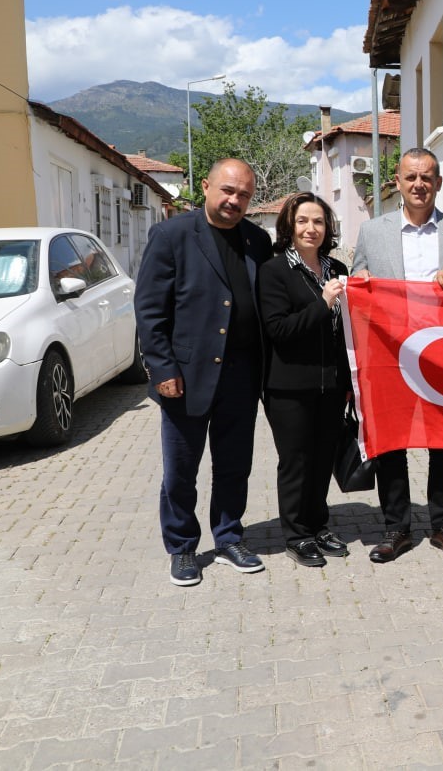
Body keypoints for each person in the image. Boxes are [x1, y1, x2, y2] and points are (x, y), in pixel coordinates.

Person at [135, 158, 271, 586]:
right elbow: (150, 310)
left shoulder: (257, 240)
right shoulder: (172, 235)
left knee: (234, 465)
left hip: (242, 376)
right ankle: (182, 547)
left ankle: (229, 537)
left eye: (244, 195)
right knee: (181, 470)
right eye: (228, 191)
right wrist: (162, 368)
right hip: (185, 376)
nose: (234, 200)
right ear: (207, 186)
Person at [351, 148, 443, 563]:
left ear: (439, 183)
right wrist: (362, 281)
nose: (419, 184)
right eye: (411, 178)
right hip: (390, 356)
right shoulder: (373, 232)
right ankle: (396, 528)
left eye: (427, 177)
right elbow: (358, 284)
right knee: (391, 444)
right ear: (398, 182)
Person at [256, 193, 351, 568]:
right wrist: (323, 303)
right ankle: (297, 534)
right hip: (289, 387)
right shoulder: (274, 271)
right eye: (303, 221)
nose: (311, 228)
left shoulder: (336, 267)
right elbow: (280, 330)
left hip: (331, 386)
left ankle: (318, 524)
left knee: (322, 459)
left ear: (327, 228)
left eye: (318, 222)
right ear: (289, 228)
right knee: (296, 461)